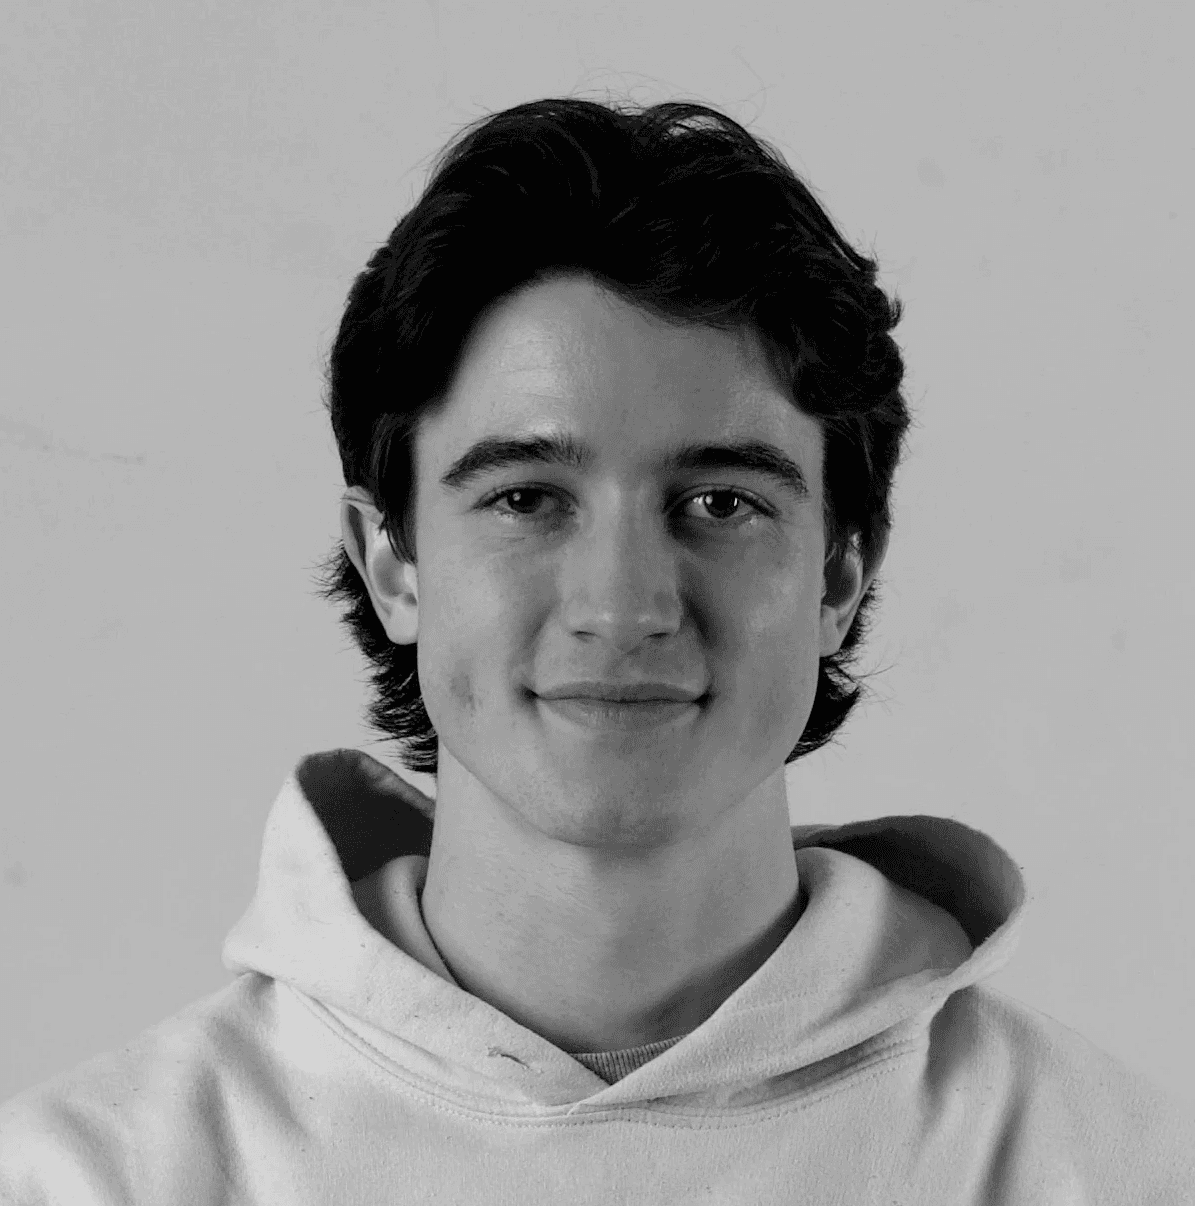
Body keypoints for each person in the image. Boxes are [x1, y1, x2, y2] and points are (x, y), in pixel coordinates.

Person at [2, 95, 1193, 1204]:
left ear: (840, 573)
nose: (623, 606)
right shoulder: (90, 1180)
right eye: (526, 499)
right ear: (393, 564)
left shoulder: (1115, 1171)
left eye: (720, 502)